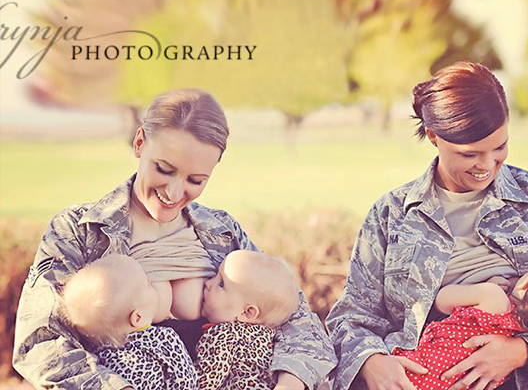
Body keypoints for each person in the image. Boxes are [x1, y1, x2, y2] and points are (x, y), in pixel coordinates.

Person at [13, 88, 336, 390]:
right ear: (140, 142)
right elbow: (40, 341)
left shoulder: (223, 232)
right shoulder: (80, 230)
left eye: (196, 180)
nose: (174, 193)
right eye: (164, 169)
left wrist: (290, 382)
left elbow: (293, 314)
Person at [326, 62, 528, 390]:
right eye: (470, 154)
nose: (488, 165)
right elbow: (352, 317)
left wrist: (522, 352)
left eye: (500, 148)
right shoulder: (391, 215)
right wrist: (371, 363)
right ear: (433, 136)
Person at [392, 255, 528, 390]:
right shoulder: (523, 336)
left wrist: (482, 287)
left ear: (527, 282)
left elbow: (442, 299)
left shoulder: (492, 296)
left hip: (415, 371)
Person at [60, 254, 198, 389]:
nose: (151, 283)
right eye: (147, 285)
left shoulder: (93, 350)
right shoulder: (164, 339)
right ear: (137, 317)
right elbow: (186, 380)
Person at [195, 249, 300, 389]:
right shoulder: (268, 338)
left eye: (221, 284)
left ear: (247, 312)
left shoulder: (224, 336)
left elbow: (203, 383)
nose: (208, 283)